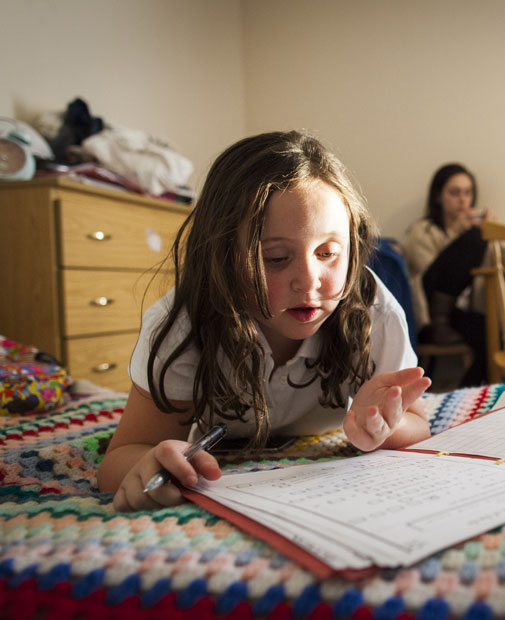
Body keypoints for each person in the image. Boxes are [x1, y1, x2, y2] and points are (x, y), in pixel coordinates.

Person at [97, 130, 432, 511]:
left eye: (328, 252)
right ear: (222, 260)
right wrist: (149, 463)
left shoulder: (372, 310)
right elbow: (120, 457)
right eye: (275, 258)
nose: (309, 281)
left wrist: (378, 428)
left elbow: (418, 424)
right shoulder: (184, 325)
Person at [403, 163, 490, 386]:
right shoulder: (422, 230)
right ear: (439, 196)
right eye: (455, 192)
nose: (463, 200)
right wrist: (457, 234)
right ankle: (439, 322)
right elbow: (431, 273)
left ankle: (467, 394)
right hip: (429, 309)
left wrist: (496, 233)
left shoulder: (475, 231)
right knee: (475, 238)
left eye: (468, 193)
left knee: (491, 335)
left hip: (456, 311)